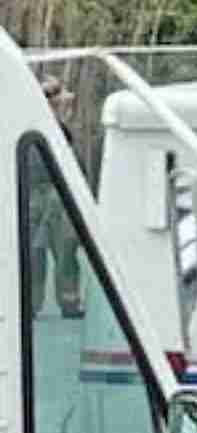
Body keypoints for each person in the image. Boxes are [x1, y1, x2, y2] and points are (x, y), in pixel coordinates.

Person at [30, 75, 83, 319]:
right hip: (30, 191)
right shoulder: (25, 119)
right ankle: (30, 304)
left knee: (65, 248)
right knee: (32, 252)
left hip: (59, 192)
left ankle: (69, 301)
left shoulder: (61, 125)